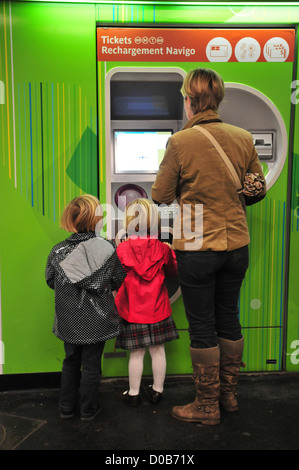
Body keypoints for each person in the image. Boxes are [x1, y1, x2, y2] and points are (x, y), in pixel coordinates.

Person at [152, 68, 266, 425]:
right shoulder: (243, 137)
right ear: (218, 100)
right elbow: (256, 190)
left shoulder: (181, 142)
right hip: (237, 246)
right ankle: (228, 396)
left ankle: (205, 405)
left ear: (190, 101)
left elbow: (160, 195)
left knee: (201, 324)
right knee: (228, 316)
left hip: (199, 247)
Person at [45, 194, 126, 421]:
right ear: (97, 220)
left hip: (69, 317)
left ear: (70, 218)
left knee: (70, 362)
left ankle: (66, 408)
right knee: (91, 365)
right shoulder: (107, 249)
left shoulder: (58, 250)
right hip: (97, 319)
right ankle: (89, 410)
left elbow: (50, 280)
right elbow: (119, 279)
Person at [115, 198, 179, 406]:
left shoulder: (122, 250)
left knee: (136, 353)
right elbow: (172, 271)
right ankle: (157, 391)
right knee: (158, 350)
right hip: (157, 308)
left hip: (132, 309)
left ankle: (133, 393)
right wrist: (171, 251)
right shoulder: (163, 249)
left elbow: (115, 277)